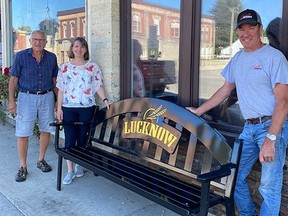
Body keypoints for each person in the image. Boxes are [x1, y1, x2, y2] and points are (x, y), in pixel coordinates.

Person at [186, 9, 288, 215]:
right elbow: (225, 89)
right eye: (242, 29)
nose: (246, 33)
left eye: (251, 28)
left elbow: (284, 101)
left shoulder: (274, 58)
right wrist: (199, 110)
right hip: (248, 129)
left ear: (260, 29)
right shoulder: (238, 58)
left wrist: (271, 139)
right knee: (233, 177)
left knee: (269, 186)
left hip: (271, 128)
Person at [56, 37, 110, 185]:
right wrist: (59, 108)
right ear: (72, 48)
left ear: (85, 49)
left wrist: (105, 99)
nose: (78, 49)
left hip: (86, 107)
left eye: (82, 47)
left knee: (82, 138)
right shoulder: (65, 67)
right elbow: (61, 89)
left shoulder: (92, 67)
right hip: (69, 108)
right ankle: (69, 170)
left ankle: (80, 164)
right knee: (69, 138)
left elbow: (98, 85)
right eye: (76, 46)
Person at [8, 30, 58, 182]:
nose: (38, 42)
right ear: (30, 41)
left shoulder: (51, 57)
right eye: (35, 39)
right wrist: (11, 101)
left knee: (46, 130)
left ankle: (41, 160)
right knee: (23, 133)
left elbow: (55, 80)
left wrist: (57, 101)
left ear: (46, 42)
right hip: (26, 98)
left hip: (47, 96)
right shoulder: (21, 56)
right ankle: (23, 166)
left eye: (41, 40)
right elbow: (13, 79)